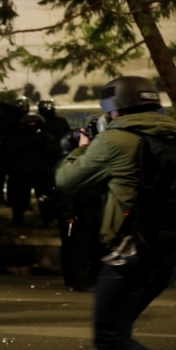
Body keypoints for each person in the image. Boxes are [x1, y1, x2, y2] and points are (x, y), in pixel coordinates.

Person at [55, 76, 176, 350]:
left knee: (111, 336)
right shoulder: (171, 132)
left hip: (131, 251)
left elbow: (66, 179)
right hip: (166, 248)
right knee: (120, 328)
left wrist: (81, 148)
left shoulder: (115, 139)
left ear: (115, 108)